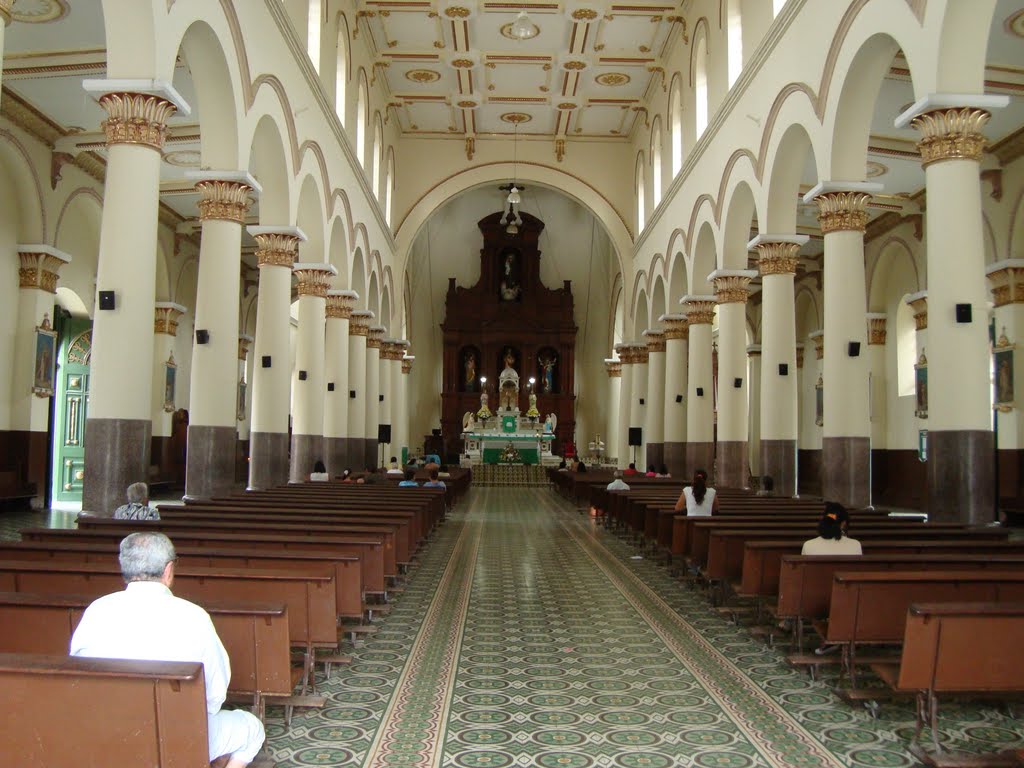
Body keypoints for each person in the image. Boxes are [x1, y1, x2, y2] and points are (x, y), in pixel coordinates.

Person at [70, 533, 265, 768]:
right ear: (169, 570)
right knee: (252, 728)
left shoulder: (96, 611)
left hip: (107, 731)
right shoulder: (193, 616)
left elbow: (79, 675)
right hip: (176, 732)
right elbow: (215, 692)